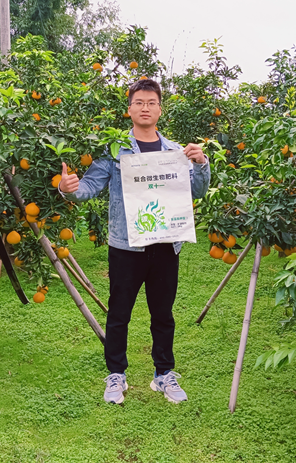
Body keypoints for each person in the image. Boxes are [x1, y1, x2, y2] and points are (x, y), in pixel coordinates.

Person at [57, 78, 210, 405]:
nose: (145, 108)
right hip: (126, 247)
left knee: (163, 313)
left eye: (151, 103)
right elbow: (88, 188)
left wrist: (200, 165)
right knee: (119, 313)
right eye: (139, 102)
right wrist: (68, 188)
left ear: (159, 108)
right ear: (129, 109)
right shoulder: (116, 150)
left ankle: (163, 374)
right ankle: (116, 375)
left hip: (167, 245)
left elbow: (194, 193)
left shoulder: (174, 153)